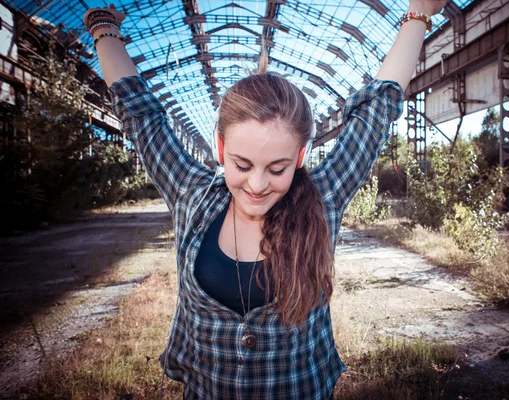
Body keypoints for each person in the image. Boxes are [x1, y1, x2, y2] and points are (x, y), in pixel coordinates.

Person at [83, 1, 447, 398]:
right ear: (221, 148)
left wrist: (419, 13)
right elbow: (142, 117)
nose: (257, 185)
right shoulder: (192, 195)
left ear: (300, 158)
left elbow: (375, 112)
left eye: (277, 169)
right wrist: (104, 28)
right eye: (242, 164)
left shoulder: (323, 198)